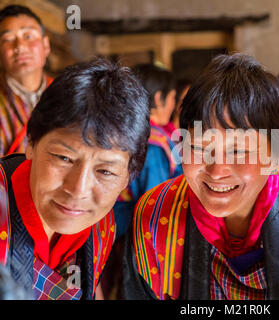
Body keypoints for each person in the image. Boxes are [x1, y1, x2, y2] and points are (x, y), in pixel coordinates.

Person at [123, 53, 279, 300]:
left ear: (275, 156)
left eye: (239, 151)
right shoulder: (154, 218)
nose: (217, 171)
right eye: (199, 148)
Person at [0, 58, 150, 300]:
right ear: (31, 143)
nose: (78, 190)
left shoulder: (101, 226)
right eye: (64, 158)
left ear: (127, 178)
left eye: (105, 172)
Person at [114, 63, 182, 239]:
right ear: (160, 99)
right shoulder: (154, 145)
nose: (173, 105)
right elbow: (155, 205)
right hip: (133, 233)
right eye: (173, 97)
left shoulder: (124, 131)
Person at [0, 5, 52, 156]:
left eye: (28, 36)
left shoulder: (68, 95)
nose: (20, 47)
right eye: (8, 39)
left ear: (46, 45)